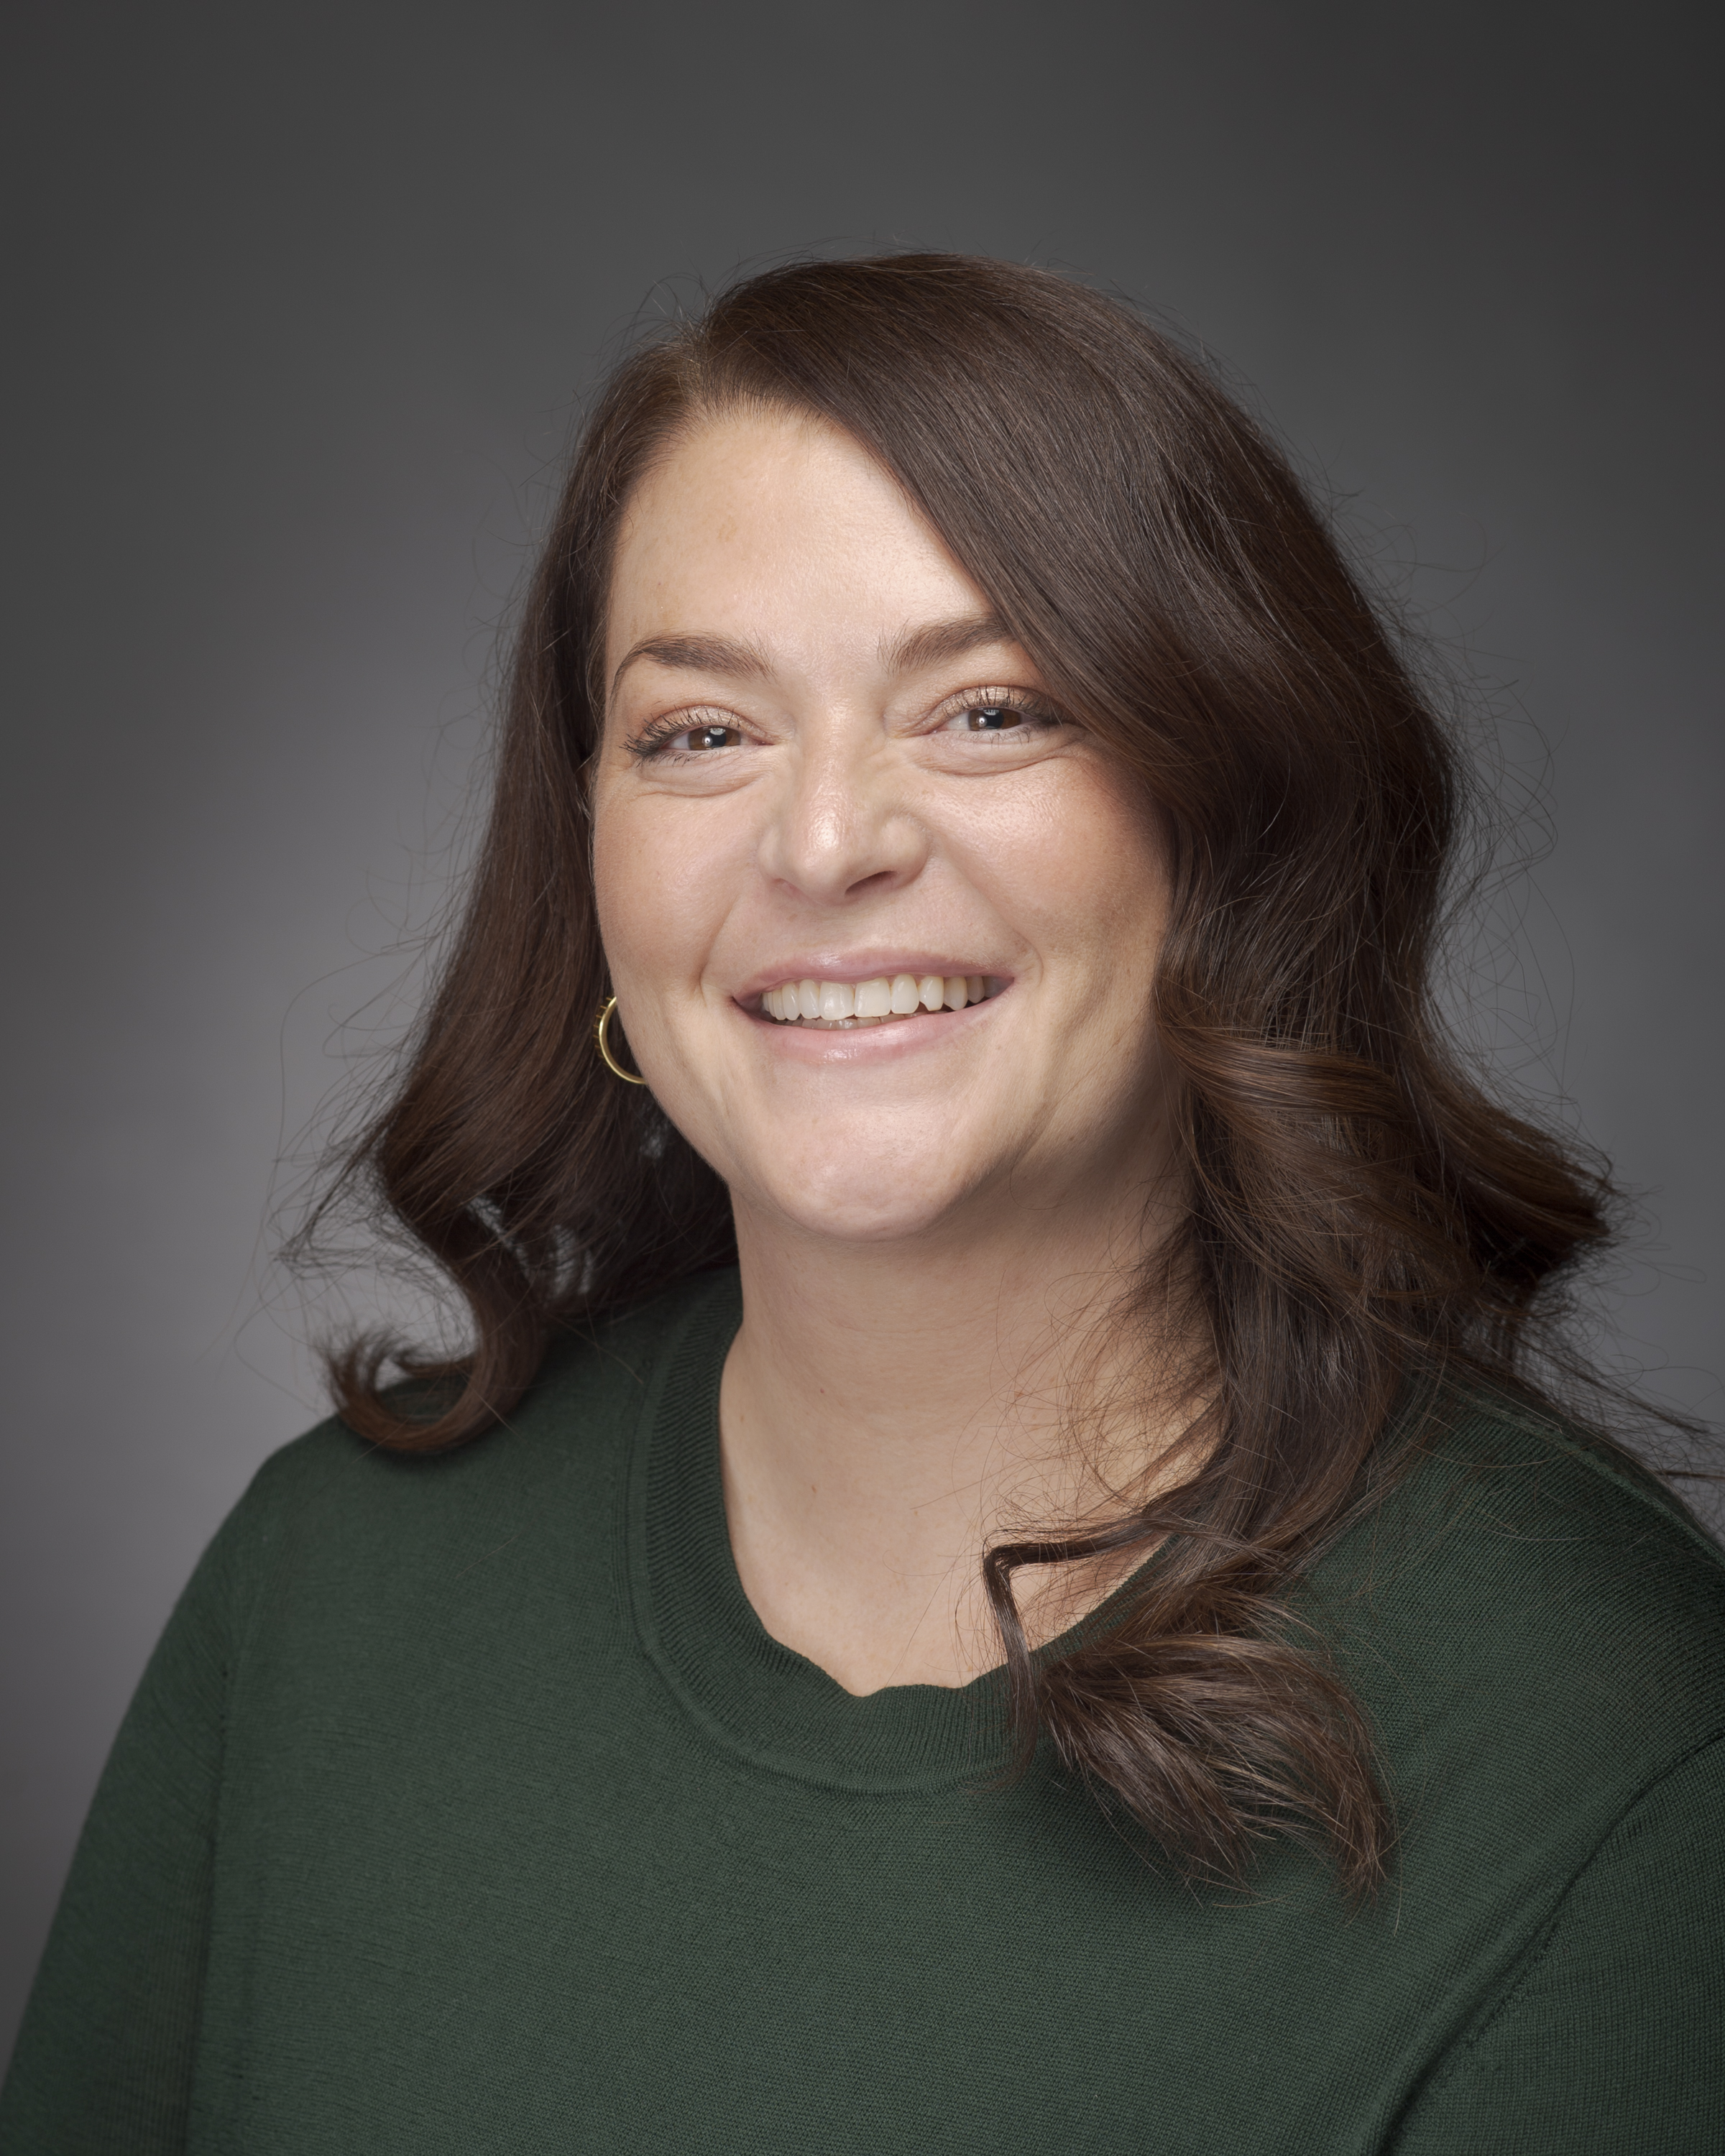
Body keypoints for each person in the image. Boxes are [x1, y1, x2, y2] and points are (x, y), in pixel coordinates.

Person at [2, 254, 1720, 2153]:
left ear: (1228, 818)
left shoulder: (1604, 1739)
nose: (826, 844)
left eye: (988, 710)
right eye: (701, 732)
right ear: (590, 853)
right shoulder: (331, 1586)